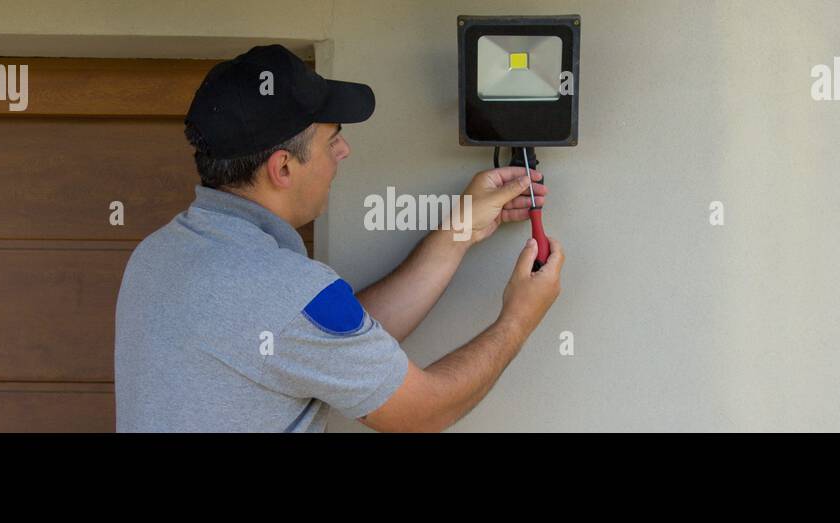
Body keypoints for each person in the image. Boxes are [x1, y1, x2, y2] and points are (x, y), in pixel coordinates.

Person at [115, 44, 564, 432]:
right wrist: (518, 319)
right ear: (283, 169)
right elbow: (423, 412)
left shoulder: (158, 255)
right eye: (333, 138)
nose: (344, 150)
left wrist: (458, 233)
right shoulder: (284, 291)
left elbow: (319, 340)